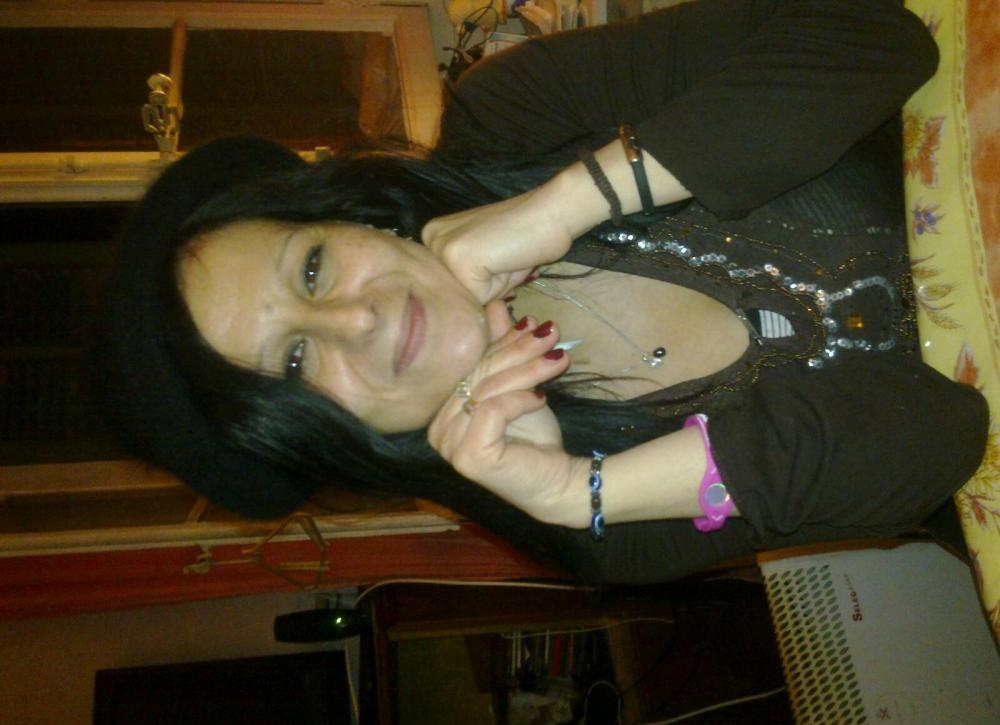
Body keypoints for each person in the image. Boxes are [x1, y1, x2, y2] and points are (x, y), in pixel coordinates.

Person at [93, 0, 988, 584]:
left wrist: (574, 199)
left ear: (352, 218)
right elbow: (946, 436)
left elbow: (879, 40)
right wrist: (581, 489)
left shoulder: (510, 117)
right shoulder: (587, 520)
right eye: (294, 360)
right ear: (326, 437)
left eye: (313, 268)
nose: (355, 319)